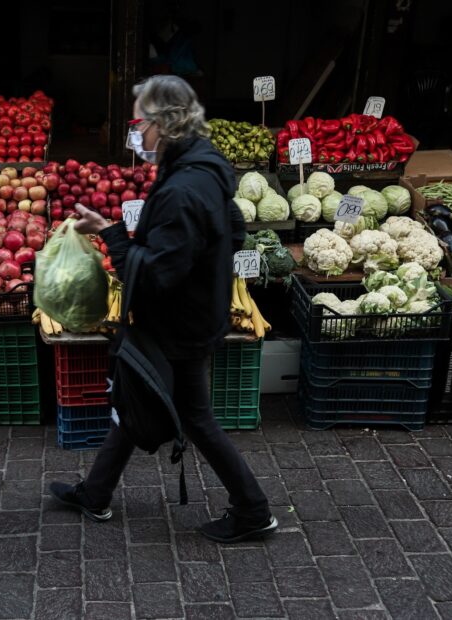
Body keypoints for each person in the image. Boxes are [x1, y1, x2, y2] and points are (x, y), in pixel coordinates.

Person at [49, 75, 276, 544]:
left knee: (192, 416)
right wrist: (208, 268)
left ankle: (253, 509)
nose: (136, 134)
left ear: (164, 124)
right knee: (138, 398)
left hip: (179, 324)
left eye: (139, 123)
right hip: (194, 312)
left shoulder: (181, 189)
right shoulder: (205, 163)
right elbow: (232, 229)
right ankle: (95, 492)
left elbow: (153, 273)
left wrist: (112, 235)